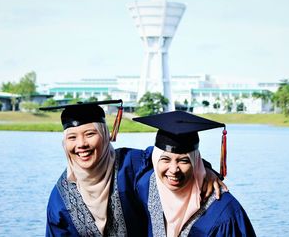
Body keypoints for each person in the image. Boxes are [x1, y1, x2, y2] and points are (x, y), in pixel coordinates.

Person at [41, 100, 227, 236]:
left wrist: (205, 171)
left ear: (106, 135)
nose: (81, 144)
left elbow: (169, 160)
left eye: (90, 134)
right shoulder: (61, 197)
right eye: (72, 137)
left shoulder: (132, 164)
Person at [133, 111, 256, 237]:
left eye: (184, 160)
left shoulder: (224, 212)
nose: (174, 169)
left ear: (196, 162)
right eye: (165, 159)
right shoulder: (146, 185)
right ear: (155, 159)